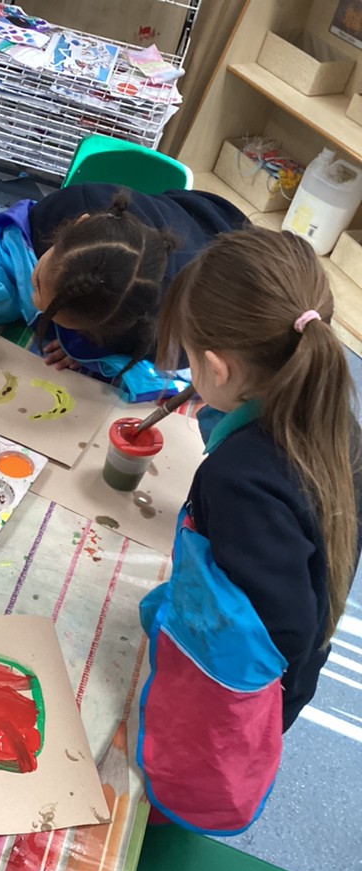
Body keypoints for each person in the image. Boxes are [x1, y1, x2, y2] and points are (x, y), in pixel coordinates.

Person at [136, 227, 361, 835]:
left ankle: (155, 823)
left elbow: (282, 627)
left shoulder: (239, 479)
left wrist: (198, 637)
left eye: (189, 358)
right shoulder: (329, 418)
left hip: (239, 684)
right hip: (298, 662)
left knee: (182, 777)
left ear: (216, 368)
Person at [0, 183, 248, 397]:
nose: (35, 303)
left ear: (106, 329)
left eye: (60, 319)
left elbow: (182, 372)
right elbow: (9, 258)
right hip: (185, 213)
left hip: (230, 259)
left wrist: (92, 353)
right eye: (37, 283)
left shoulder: (170, 329)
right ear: (77, 225)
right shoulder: (68, 211)